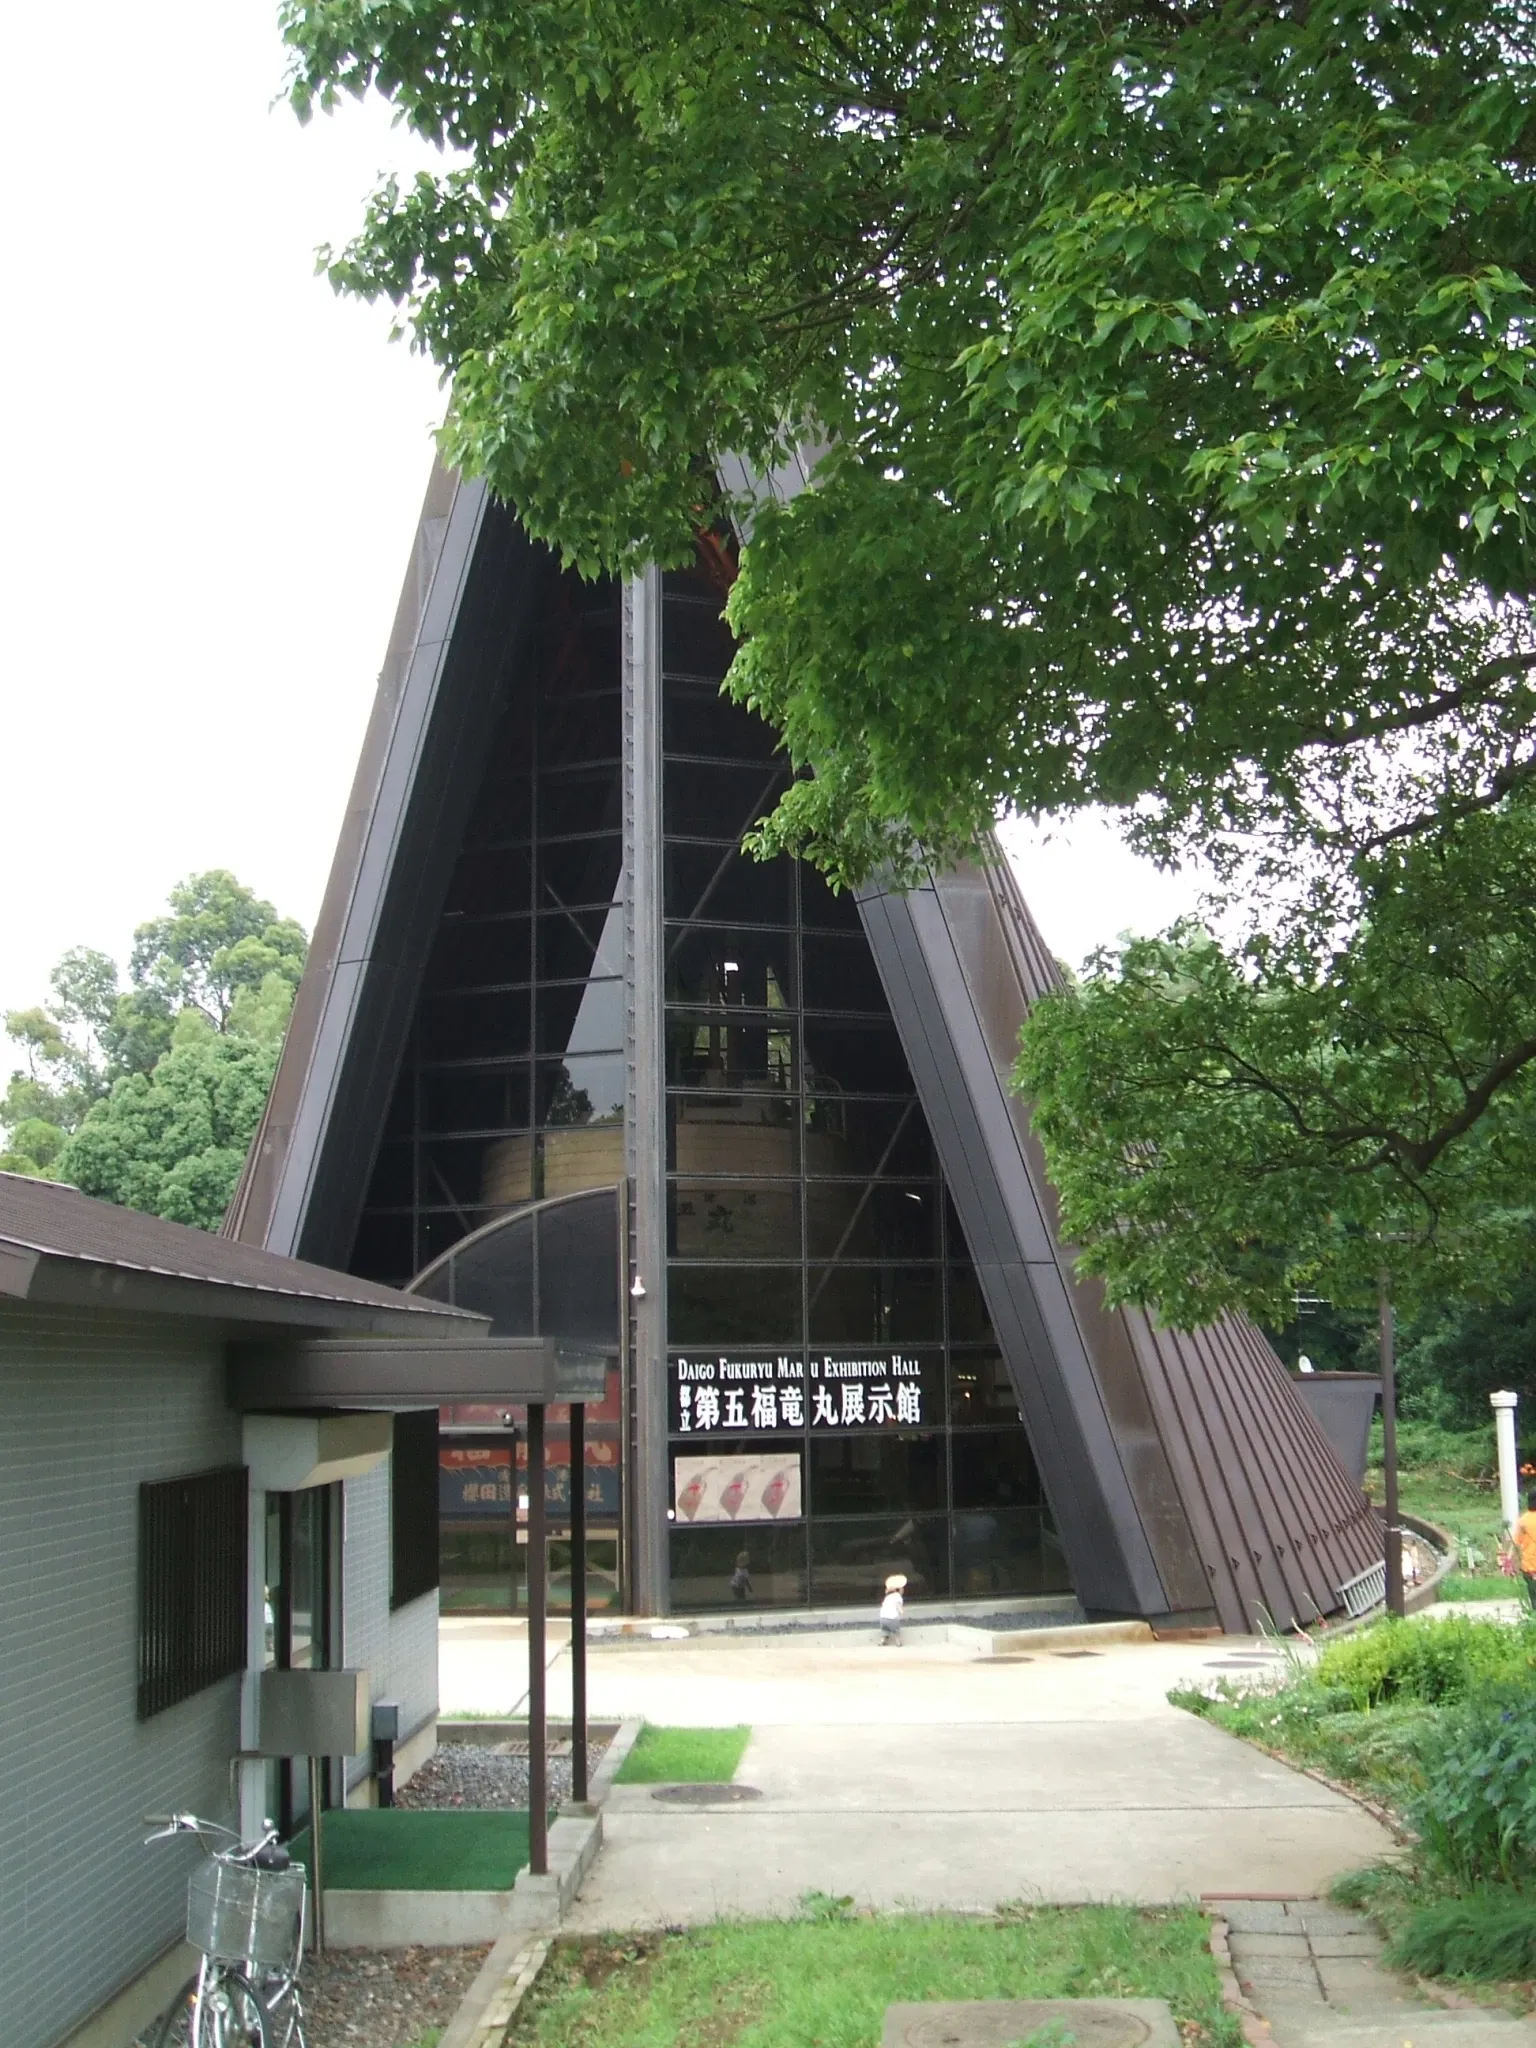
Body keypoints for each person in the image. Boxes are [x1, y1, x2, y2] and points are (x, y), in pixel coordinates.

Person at [1512, 1490, 1536, 1611]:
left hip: (1529, 1566)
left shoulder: (1523, 1521)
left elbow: (1516, 1544)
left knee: (1534, 1597)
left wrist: (1511, 1562)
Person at [879, 1572, 906, 1646]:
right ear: (898, 1590)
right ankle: (898, 1642)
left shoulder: (887, 1597)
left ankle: (882, 1641)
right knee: (896, 1632)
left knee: (884, 1631)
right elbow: (898, 1605)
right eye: (901, 1589)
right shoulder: (897, 1596)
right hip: (892, 1618)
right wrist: (901, 1611)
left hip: (883, 1618)